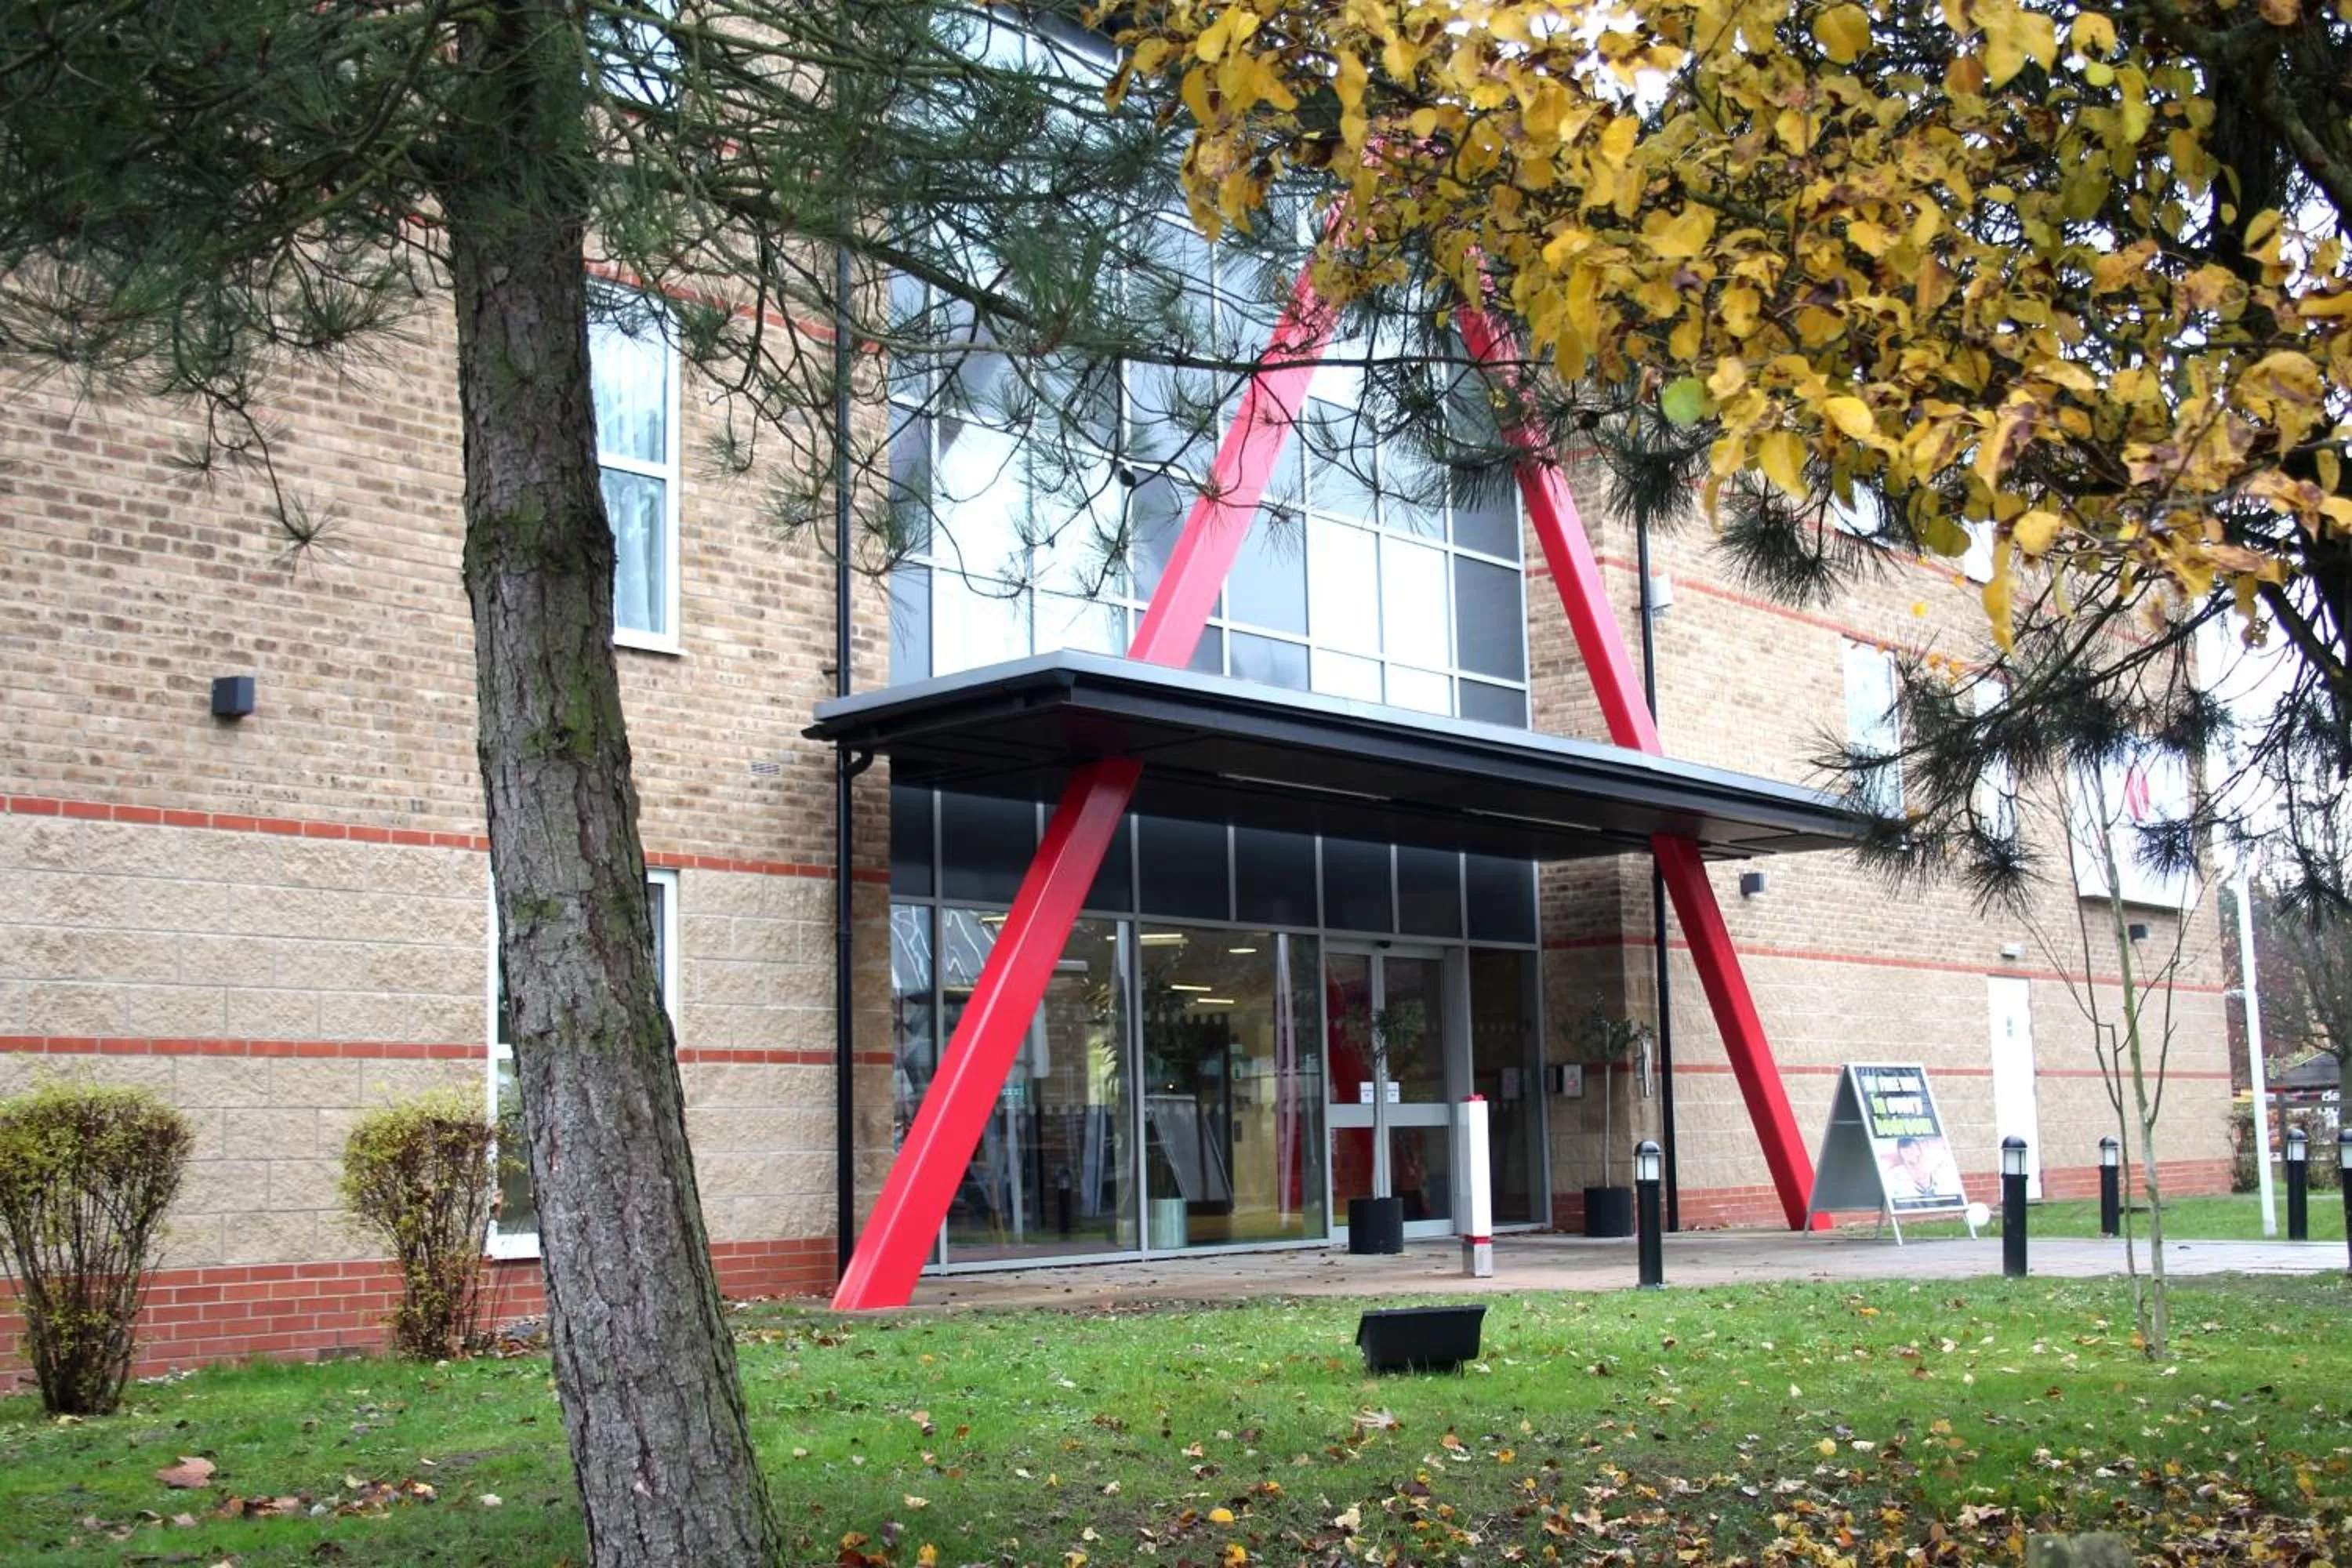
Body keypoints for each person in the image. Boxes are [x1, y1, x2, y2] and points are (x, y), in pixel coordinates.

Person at [1883, 1136, 1963, 1204]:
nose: (1917, 1168)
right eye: (1906, 1152)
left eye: (1912, 1150)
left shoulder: (1937, 1161)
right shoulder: (1898, 1175)